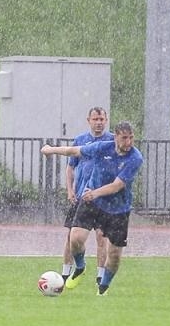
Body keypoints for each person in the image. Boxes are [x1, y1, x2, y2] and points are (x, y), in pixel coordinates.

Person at [40, 122, 143, 294]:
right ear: (116, 137)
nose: (129, 142)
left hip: (118, 209)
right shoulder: (103, 148)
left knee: (114, 255)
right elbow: (73, 151)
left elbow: (117, 186)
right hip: (92, 202)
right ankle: (80, 267)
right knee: (75, 238)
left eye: (131, 138)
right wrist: (50, 149)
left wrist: (95, 193)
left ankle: (103, 288)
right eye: (124, 138)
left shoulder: (135, 158)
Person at [58, 106, 112, 289]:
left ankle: (100, 278)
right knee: (71, 236)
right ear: (88, 120)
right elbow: (70, 167)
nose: (98, 122)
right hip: (81, 196)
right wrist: (70, 191)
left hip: (103, 198)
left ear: (106, 121)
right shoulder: (81, 140)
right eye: (95, 119)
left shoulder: (111, 141)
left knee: (101, 237)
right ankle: (66, 272)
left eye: (101, 119)